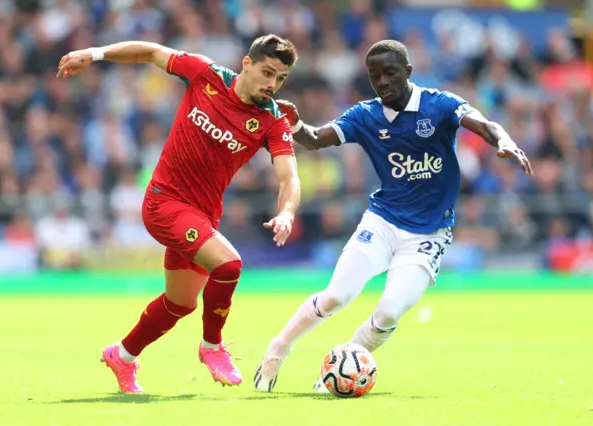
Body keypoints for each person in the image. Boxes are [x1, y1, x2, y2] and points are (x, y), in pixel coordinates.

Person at [253, 40, 533, 393]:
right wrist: (295, 125)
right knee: (337, 295)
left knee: (388, 313)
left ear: (408, 73)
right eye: (374, 76)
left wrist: (505, 141)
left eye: (390, 73)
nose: (382, 82)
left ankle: (343, 368)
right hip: (382, 222)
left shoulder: (439, 104)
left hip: (428, 235)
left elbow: (483, 123)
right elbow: (316, 139)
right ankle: (279, 347)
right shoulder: (365, 115)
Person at [56, 35, 301, 392]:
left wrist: (288, 213)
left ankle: (122, 356)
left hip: (202, 216)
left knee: (179, 303)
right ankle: (212, 347)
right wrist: (94, 54)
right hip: (164, 202)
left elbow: (289, 176)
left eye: (280, 78)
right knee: (229, 265)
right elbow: (152, 52)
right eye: (267, 72)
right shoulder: (206, 75)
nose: (272, 84)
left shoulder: (271, 120)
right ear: (246, 64)